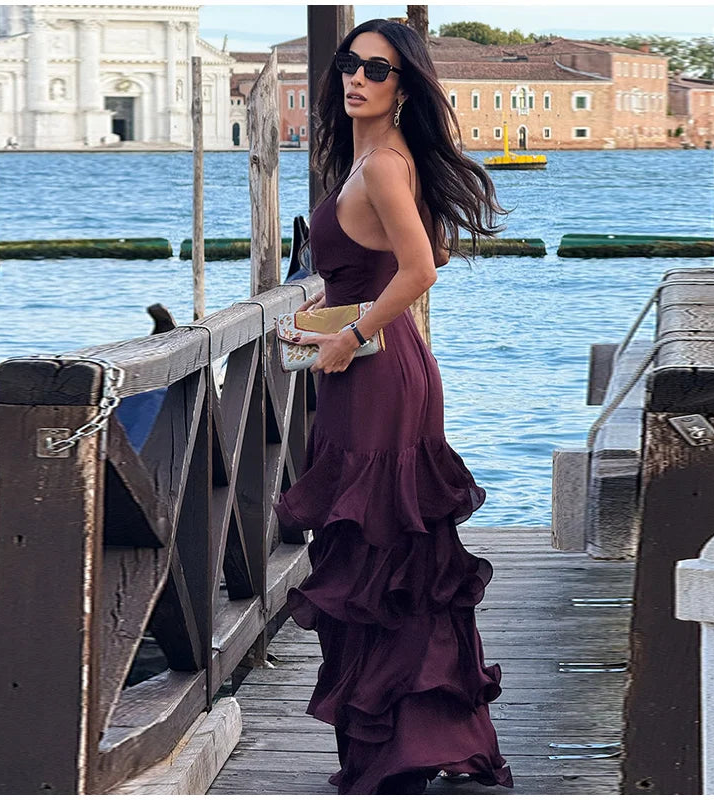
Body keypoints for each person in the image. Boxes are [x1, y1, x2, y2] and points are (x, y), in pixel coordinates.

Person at [273, 18, 513, 795]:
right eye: (349, 64)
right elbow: (417, 255)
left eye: (376, 70)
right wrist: (326, 324)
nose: (356, 79)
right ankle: (407, 745)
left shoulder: (382, 165)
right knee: (384, 558)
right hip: (372, 367)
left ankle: (407, 749)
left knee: (385, 557)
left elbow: (419, 271)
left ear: (403, 87)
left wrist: (352, 336)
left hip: (377, 375)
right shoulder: (373, 160)